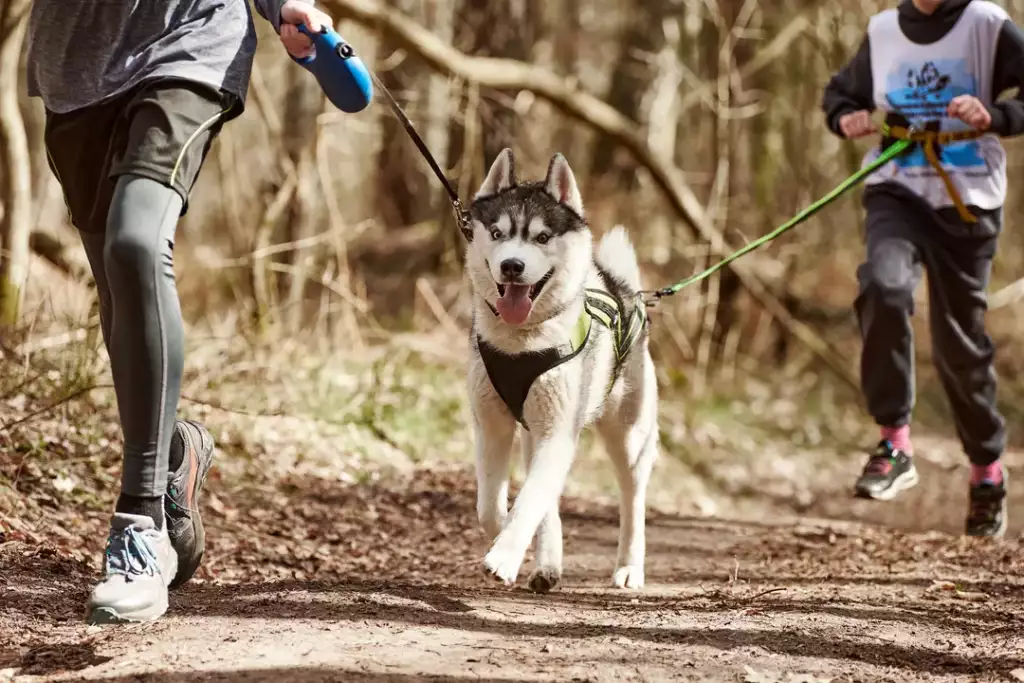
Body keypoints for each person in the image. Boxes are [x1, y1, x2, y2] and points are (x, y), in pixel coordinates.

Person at [26, 0, 336, 622]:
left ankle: (139, 528)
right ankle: (173, 456)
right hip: (75, 69)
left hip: (189, 44)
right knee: (117, 292)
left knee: (136, 243)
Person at [821, 0, 1024, 536]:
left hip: (969, 199)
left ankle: (986, 471)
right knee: (884, 288)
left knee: (959, 344)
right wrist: (846, 117)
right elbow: (840, 93)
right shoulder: (884, 30)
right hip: (899, 187)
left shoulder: (987, 24)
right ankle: (894, 442)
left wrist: (997, 115)